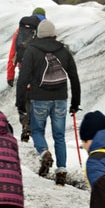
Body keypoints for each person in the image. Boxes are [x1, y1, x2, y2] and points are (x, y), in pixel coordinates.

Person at [14, 19, 80, 183]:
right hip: (60, 99)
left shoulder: (32, 50)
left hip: (39, 98)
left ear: (38, 35)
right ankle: (62, 170)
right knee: (59, 136)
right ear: (54, 34)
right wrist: (75, 103)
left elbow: (23, 79)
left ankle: (44, 153)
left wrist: (21, 104)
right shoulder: (63, 51)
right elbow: (74, 77)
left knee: (37, 131)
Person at [4, 6, 47, 85]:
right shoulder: (46, 29)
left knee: (25, 94)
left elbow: (13, 53)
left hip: (24, 68)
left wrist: (10, 75)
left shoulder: (20, 30)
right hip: (42, 71)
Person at [78, 111, 105, 186]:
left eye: (83, 142)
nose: (84, 147)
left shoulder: (95, 161)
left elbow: (102, 194)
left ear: (88, 140)